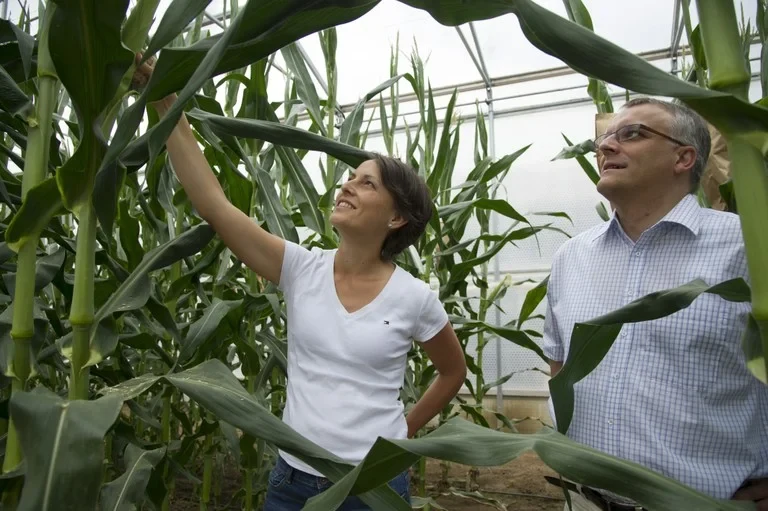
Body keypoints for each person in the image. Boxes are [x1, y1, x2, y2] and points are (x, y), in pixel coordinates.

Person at [132, 55, 467, 510]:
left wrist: (403, 432)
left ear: (396, 216)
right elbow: (215, 205)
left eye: (366, 184)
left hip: (374, 487)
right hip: (292, 482)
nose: (347, 187)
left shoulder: (414, 296)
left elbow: (453, 371)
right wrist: (165, 100)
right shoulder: (301, 268)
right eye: (349, 178)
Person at [543, 97, 768, 511]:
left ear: (684, 157)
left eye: (632, 134)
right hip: (586, 500)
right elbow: (559, 365)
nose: (606, 147)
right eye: (605, 138)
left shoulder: (749, 246)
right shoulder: (570, 257)